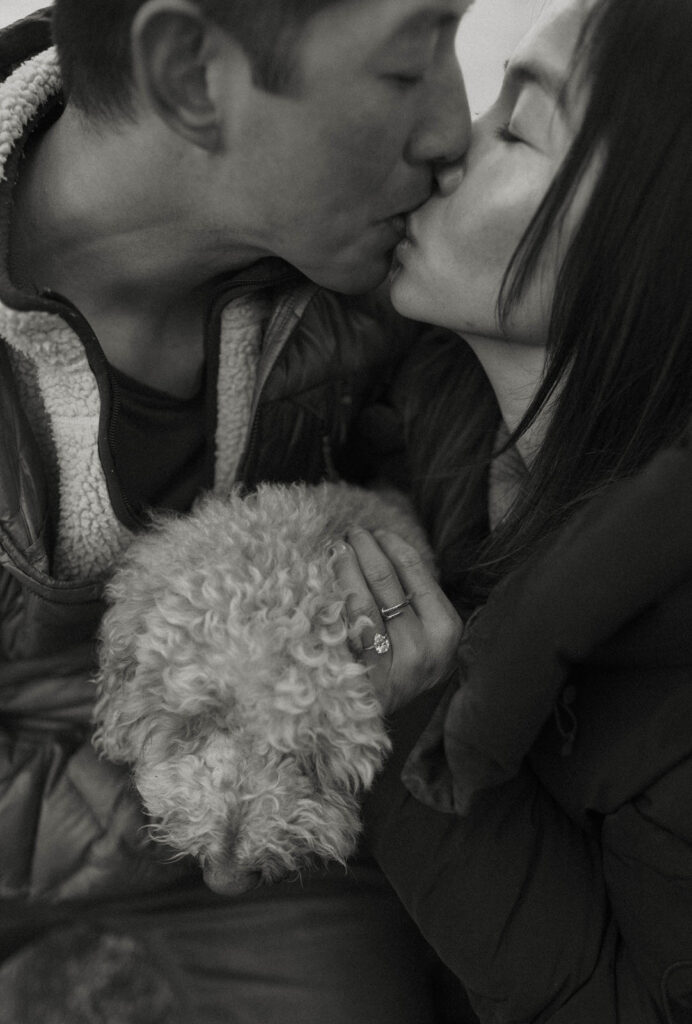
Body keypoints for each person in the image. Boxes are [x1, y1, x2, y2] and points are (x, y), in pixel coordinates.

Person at [0, 1, 475, 1021]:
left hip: (288, 849)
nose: (454, 128)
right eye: (407, 66)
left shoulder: (375, 280)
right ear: (187, 72)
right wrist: (211, 801)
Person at [331, 0, 692, 1020]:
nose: (448, 143)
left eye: (520, 126)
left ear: (651, 245)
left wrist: (409, 726)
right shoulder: (418, 403)